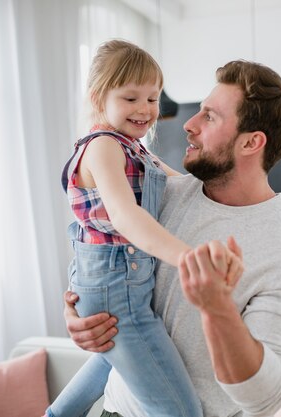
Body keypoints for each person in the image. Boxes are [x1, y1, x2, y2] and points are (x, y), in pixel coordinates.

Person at [64, 60, 281, 417]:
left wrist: (217, 310)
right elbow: (99, 245)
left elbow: (269, 396)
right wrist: (80, 310)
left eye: (209, 117)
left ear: (251, 142)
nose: (188, 125)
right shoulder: (162, 195)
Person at [45, 40, 242, 417]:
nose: (145, 109)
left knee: (109, 361)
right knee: (181, 412)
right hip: (115, 288)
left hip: (125, 284)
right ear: (98, 97)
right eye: (131, 98)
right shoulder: (103, 146)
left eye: (153, 99)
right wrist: (188, 258)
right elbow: (124, 216)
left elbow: (186, 188)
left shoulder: (136, 149)